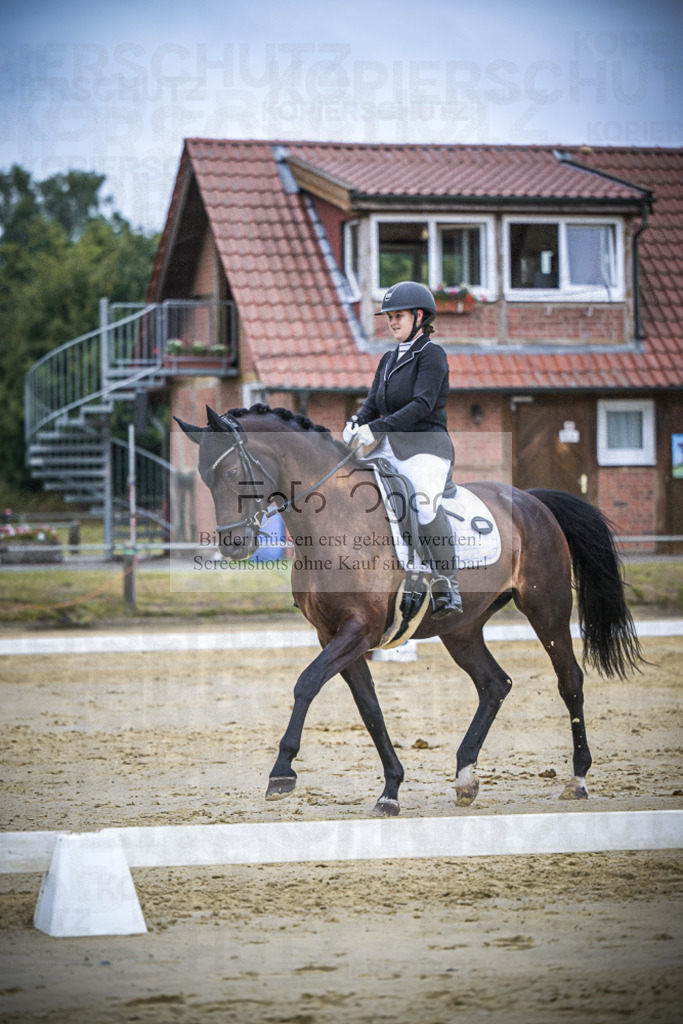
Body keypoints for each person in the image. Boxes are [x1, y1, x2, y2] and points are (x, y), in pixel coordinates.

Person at [343, 280, 462, 617]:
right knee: (349, 487)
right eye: (389, 316)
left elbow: (422, 406)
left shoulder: (432, 355)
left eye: (398, 316)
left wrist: (375, 428)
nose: (392, 322)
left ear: (419, 316)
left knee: (423, 503)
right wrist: (356, 421)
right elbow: (371, 404)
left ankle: (446, 583)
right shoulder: (387, 359)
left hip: (427, 447)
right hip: (390, 446)